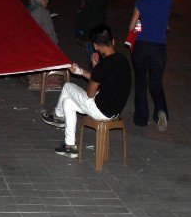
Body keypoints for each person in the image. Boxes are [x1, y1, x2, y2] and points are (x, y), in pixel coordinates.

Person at [41, 24, 131, 158]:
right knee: (68, 102)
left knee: (67, 87)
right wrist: (81, 71)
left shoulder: (103, 66)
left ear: (95, 46)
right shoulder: (122, 60)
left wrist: (96, 68)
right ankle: (69, 146)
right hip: (115, 110)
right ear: (112, 41)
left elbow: (90, 93)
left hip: (101, 110)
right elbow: (101, 78)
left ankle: (58, 116)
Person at [128, 0, 171, 131]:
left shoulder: (141, 2)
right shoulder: (167, 1)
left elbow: (132, 27)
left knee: (140, 81)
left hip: (142, 46)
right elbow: (162, 22)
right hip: (159, 47)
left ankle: (141, 118)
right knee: (155, 82)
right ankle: (161, 111)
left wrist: (140, 23)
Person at [76, 0, 107, 67]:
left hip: (93, 24)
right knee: (92, 51)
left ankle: (96, 77)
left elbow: (85, 1)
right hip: (93, 23)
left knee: (93, 52)